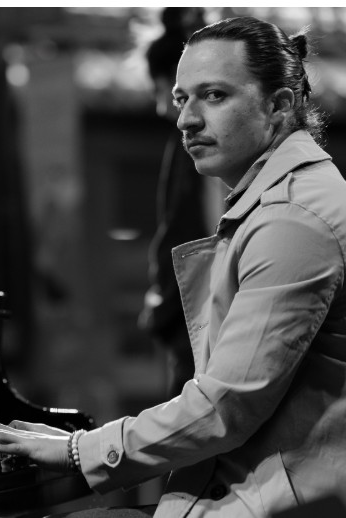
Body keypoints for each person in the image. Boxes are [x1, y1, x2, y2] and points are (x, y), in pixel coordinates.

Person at [0, 16, 346, 517]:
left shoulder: (294, 219)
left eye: (213, 95)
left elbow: (225, 407)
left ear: (279, 106)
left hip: (323, 504)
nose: (186, 120)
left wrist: (77, 450)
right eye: (180, 99)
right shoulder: (275, 203)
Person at [139, 7, 218, 399]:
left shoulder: (207, 150)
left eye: (164, 92)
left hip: (204, 310)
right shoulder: (194, 146)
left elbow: (209, 233)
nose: (161, 107)